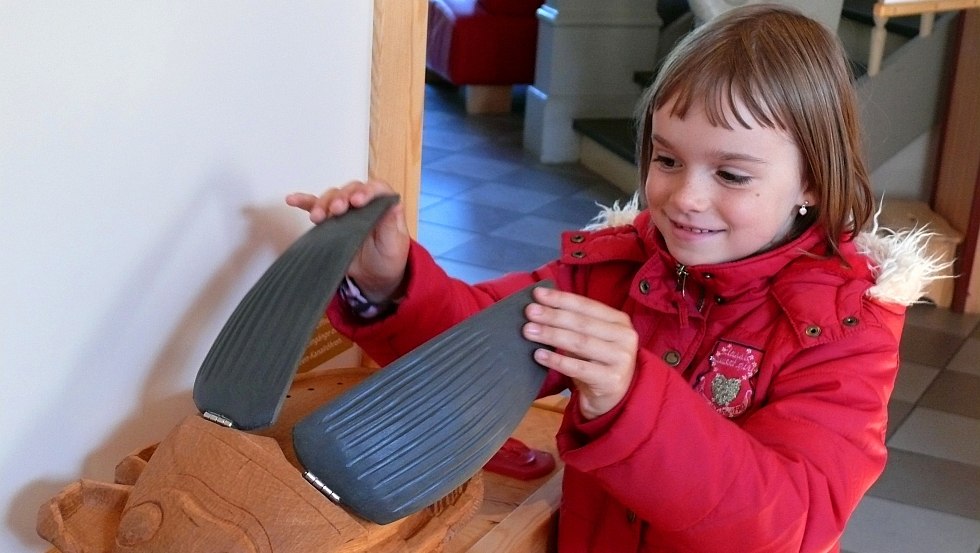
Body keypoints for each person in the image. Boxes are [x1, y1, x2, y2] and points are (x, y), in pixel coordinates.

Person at [287, 4, 942, 551]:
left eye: (732, 174)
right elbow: (478, 345)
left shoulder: (842, 328)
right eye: (666, 158)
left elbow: (788, 518)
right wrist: (391, 280)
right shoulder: (619, 268)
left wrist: (633, 401)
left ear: (810, 182)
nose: (685, 196)